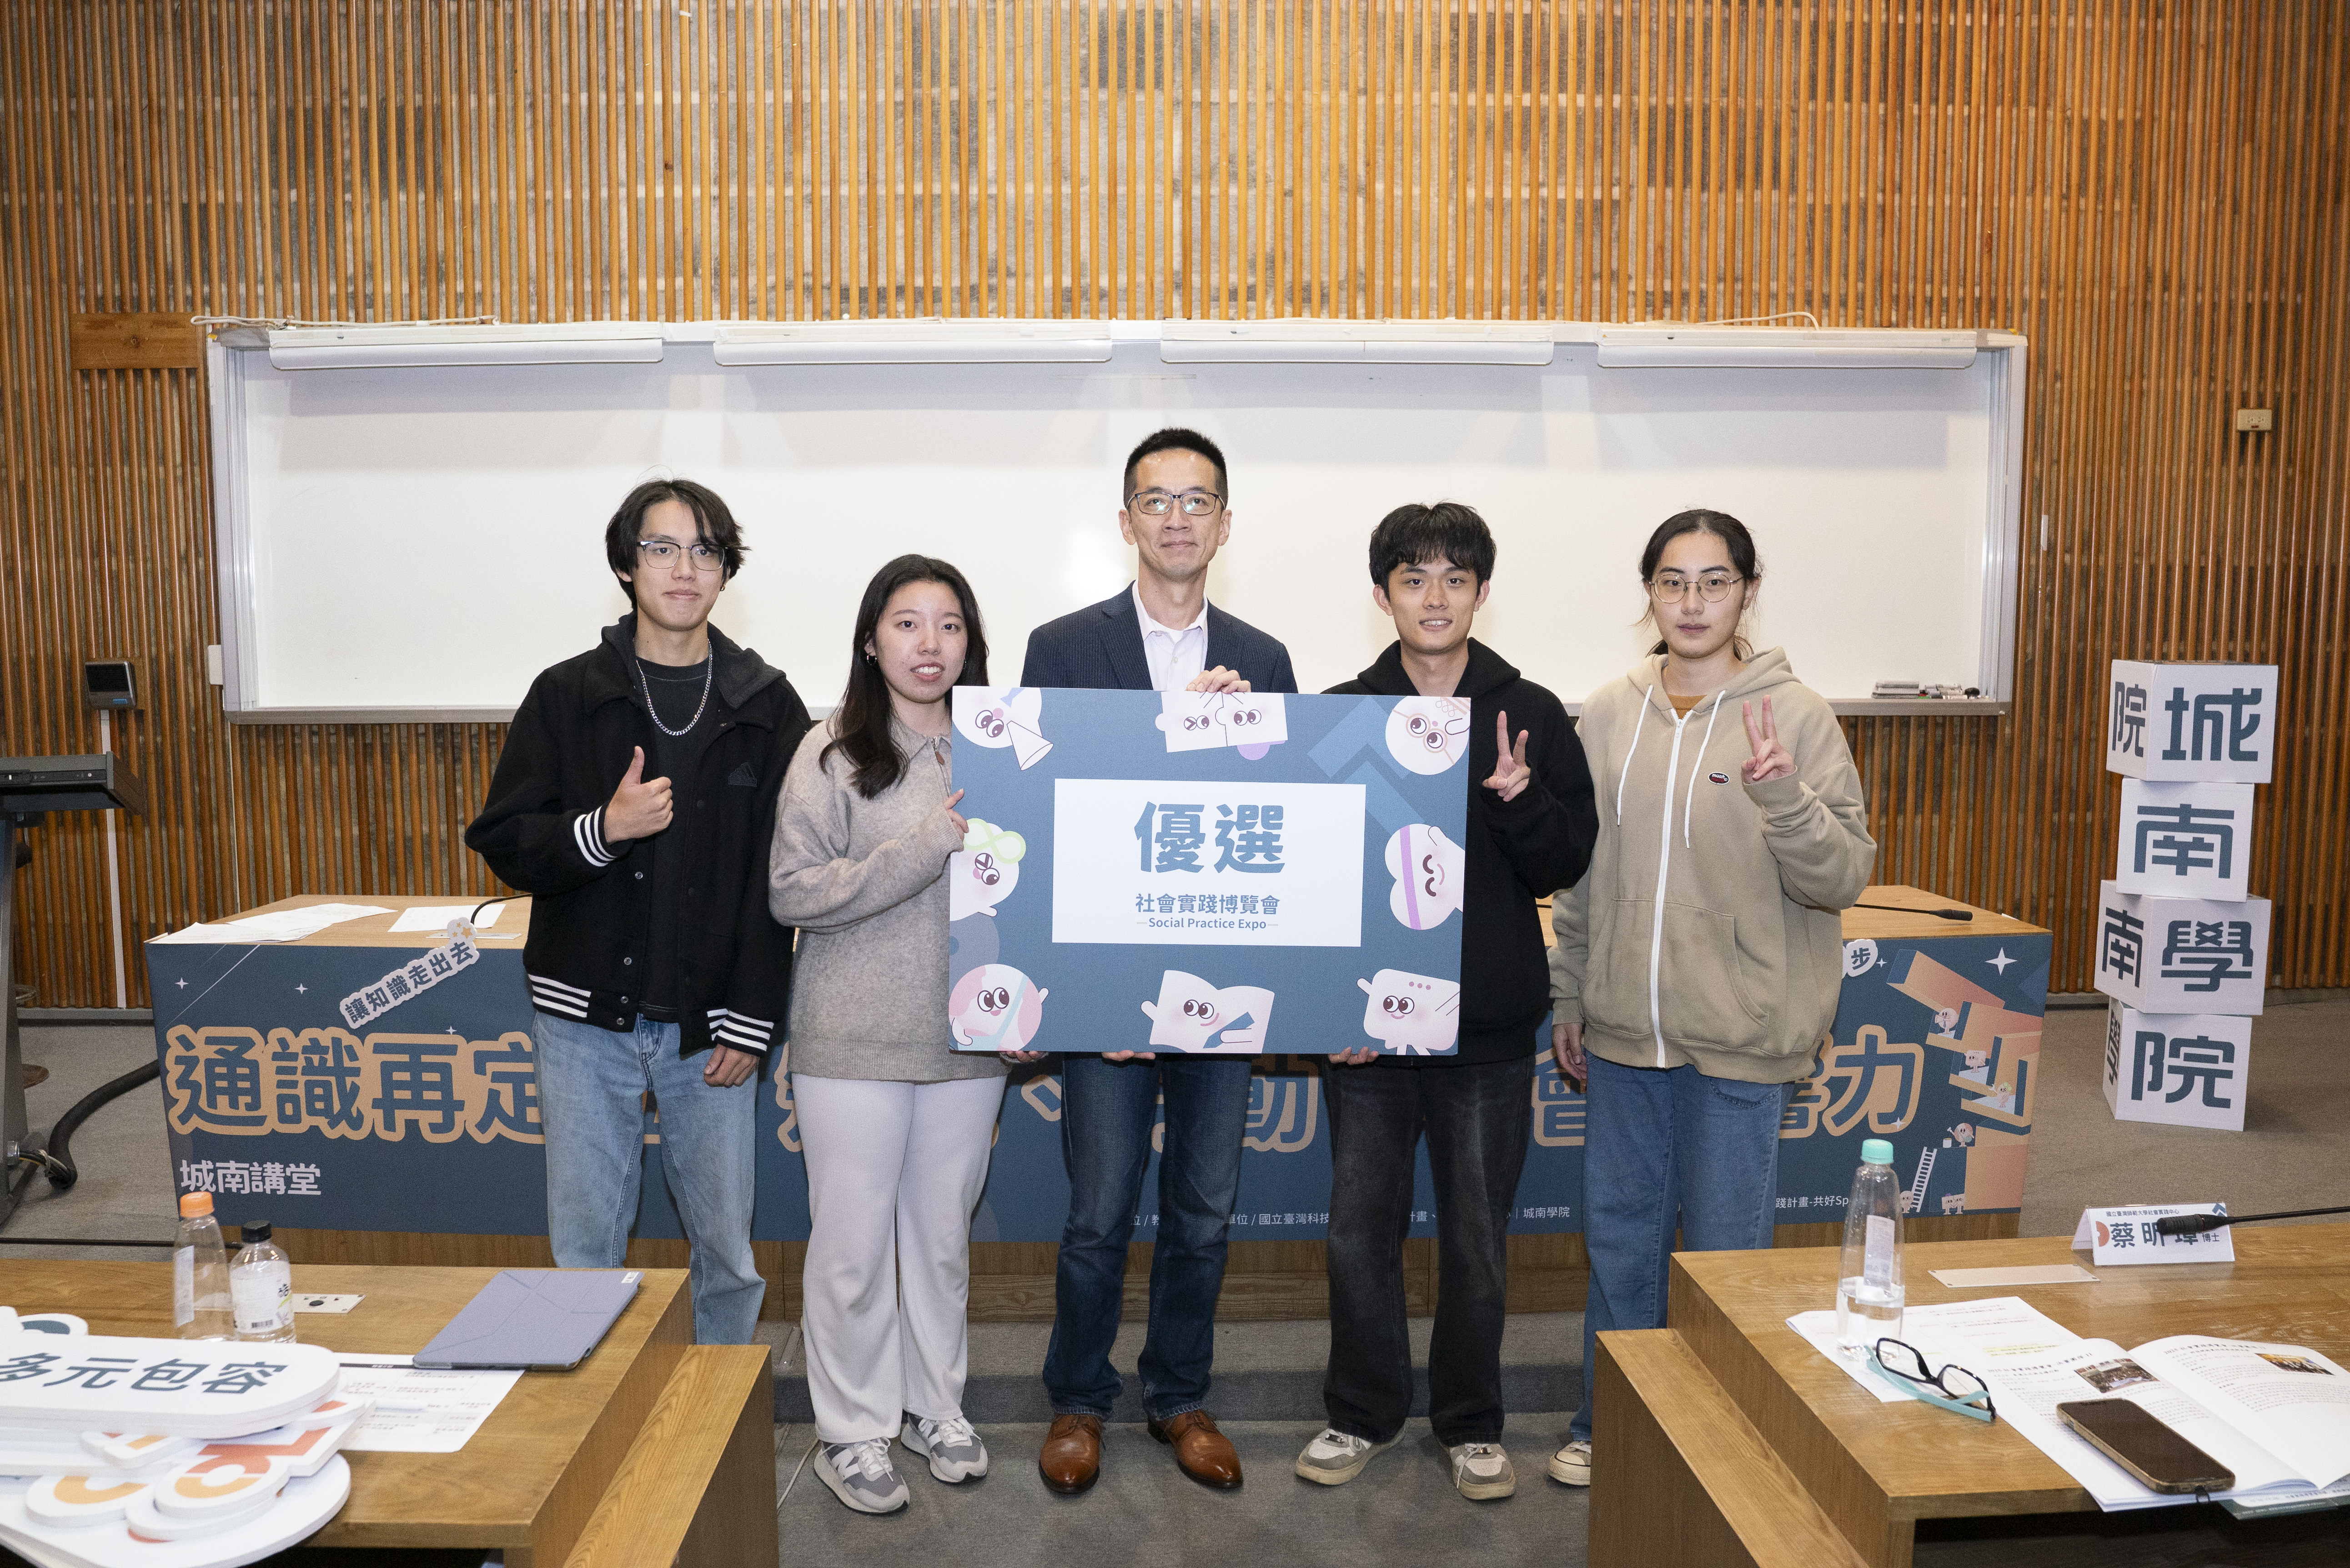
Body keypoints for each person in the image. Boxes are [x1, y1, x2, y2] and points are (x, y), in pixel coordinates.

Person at [1545, 508, 1875, 1487]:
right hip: (1622, 1032)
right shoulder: (1607, 710)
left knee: (1728, 1251)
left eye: (1715, 581)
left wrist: (1782, 794)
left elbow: (1841, 875)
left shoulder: (1797, 715)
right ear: (1647, 593)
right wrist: (1571, 990)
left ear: (1747, 591)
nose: (1693, 602)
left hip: (1742, 1033)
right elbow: (1579, 872)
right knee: (1620, 1244)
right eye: (1673, 582)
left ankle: (1724, 1431)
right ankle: (1608, 1422)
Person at [1296, 503, 1597, 1502]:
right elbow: (1312, 878)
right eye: (1414, 577)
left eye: (1455, 578)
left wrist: (1520, 797)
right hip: (1369, 1031)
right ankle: (1360, 1412)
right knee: (1357, 1231)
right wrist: (1328, 1008)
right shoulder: (1340, 714)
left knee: (1476, 1235)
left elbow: (1567, 860)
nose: (1435, 596)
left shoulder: (1534, 712)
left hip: (1489, 1030)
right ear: (1381, 594)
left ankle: (1471, 1422)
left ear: (1480, 592)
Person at [466, 477, 811, 1347]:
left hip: (714, 1032)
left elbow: (787, 878)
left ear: (727, 572)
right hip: (585, 1022)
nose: (684, 568)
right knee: (585, 1246)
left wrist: (753, 1021)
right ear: (627, 566)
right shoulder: (566, 693)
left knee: (728, 1252)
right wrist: (603, 830)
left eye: (705, 550)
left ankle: (718, 1431)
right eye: (661, 548)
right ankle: (592, 1424)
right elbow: (504, 839)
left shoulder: (770, 705)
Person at [1022, 427, 1297, 1494]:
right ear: (1126, 518)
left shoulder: (1265, 658)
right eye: (1156, 497)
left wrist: (1239, 741)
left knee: (1203, 1210)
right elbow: (1042, 804)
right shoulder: (1062, 644)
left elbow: (1279, 820)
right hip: (1102, 983)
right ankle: (1077, 1398)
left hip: (1222, 981)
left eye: (1198, 499)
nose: (1177, 515)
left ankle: (1179, 1392)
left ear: (1225, 524)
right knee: (1098, 1210)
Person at [768, 554, 1014, 1516]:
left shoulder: (1000, 747)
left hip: (969, 1038)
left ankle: (933, 1407)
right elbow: (793, 889)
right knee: (853, 1244)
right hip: (854, 1038)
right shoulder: (832, 747)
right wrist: (920, 851)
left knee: (940, 1240)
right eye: (907, 623)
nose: (929, 644)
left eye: (949, 625)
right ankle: (852, 1429)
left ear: (970, 641)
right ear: (872, 638)